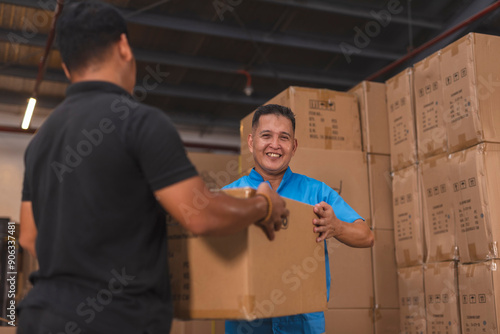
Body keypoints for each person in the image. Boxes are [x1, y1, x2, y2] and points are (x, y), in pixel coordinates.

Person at [17, 2, 289, 333]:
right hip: (117, 320)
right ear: (123, 47)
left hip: (40, 318)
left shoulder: (40, 141)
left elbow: (30, 235)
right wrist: (263, 205)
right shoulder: (139, 122)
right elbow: (200, 214)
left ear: (65, 67)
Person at [224, 104, 374, 334]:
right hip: (246, 324)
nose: (275, 145)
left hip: (303, 324)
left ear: (294, 147)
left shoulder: (316, 192)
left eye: (284, 138)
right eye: (267, 136)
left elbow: (367, 236)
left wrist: (336, 227)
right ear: (252, 142)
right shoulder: (229, 197)